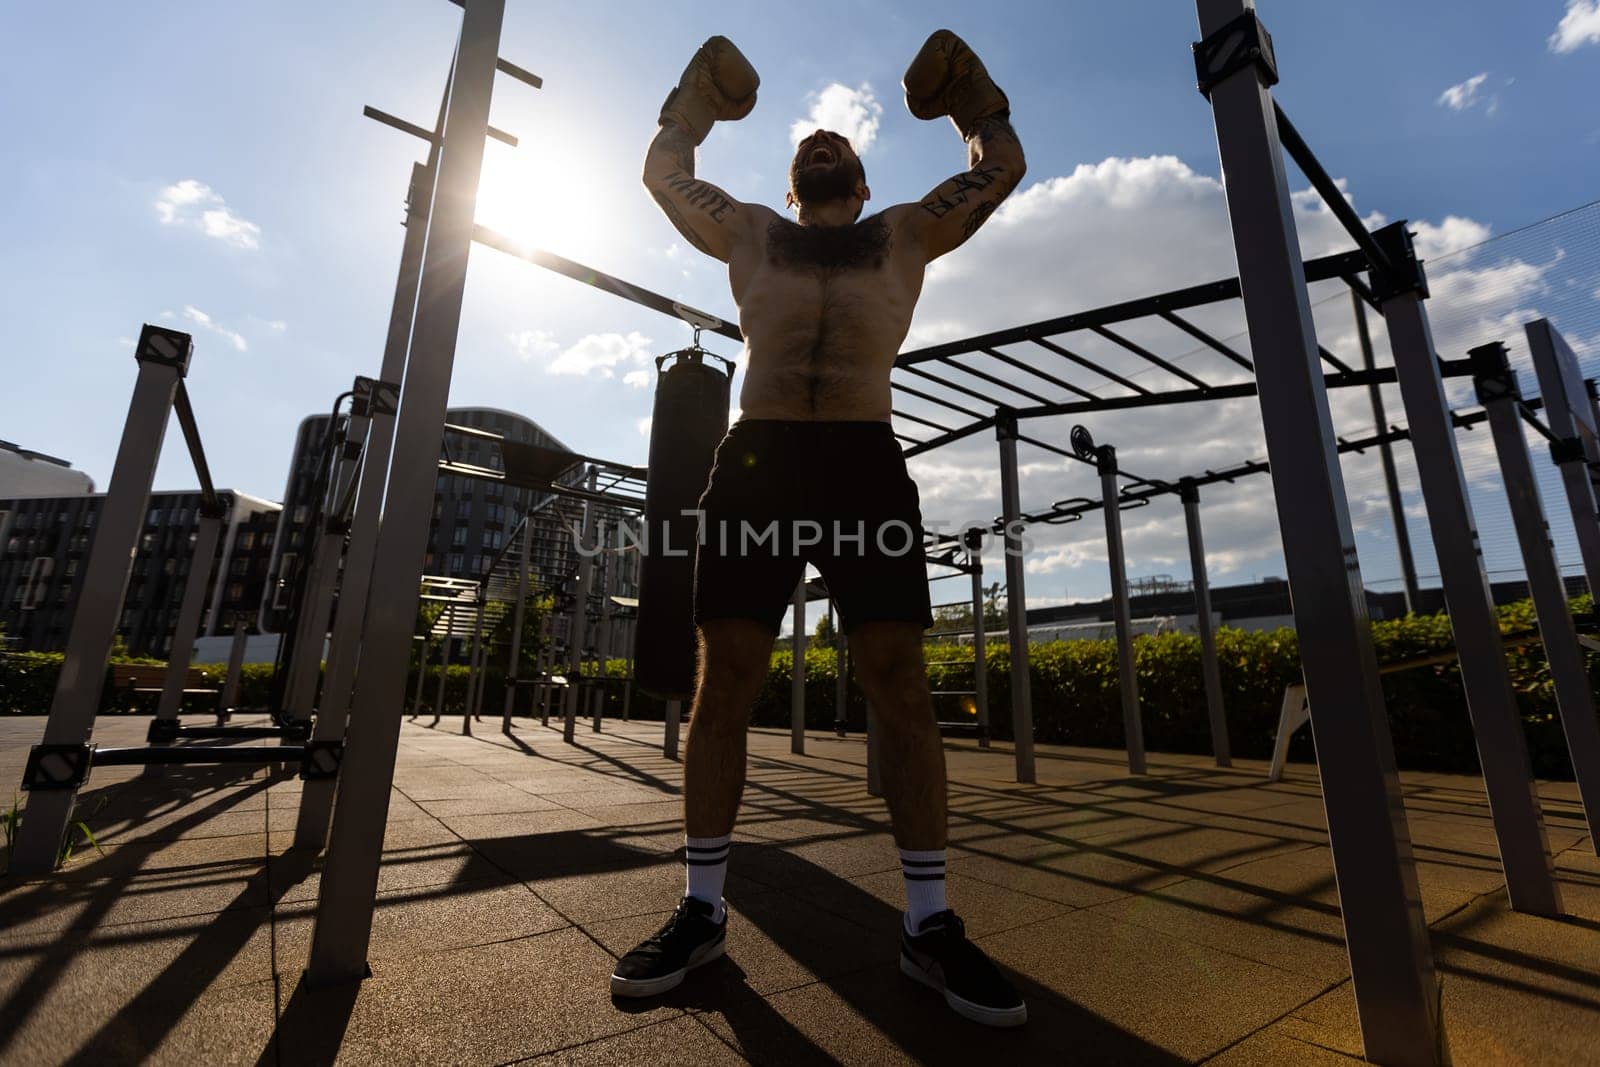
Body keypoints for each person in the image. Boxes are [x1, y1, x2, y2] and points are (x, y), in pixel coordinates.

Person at [611, 30, 1028, 1027]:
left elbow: (1001, 167)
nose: (825, 142)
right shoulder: (753, 230)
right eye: (813, 144)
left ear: (859, 173)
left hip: (861, 461)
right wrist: (691, 104)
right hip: (757, 464)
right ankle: (701, 906)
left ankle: (929, 923)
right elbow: (663, 172)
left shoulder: (903, 232)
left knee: (897, 678)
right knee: (728, 684)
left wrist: (975, 102)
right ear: (794, 183)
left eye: (838, 141)